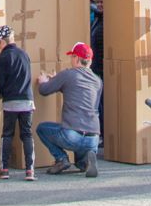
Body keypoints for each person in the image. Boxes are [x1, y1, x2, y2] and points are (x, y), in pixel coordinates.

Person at [37, 42, 105, 176]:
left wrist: (43, 81)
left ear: (77, 58)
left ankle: (61, 159)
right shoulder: (97, 81)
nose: (71, 60)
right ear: (90, 60)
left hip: (72, 135)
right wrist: (58, 81)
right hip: (93, 137)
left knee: (41, 128)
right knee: (82, 153)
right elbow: (80, 95)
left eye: (72, 57)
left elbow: (44, 90)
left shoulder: (68, 74)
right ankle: (85, 162)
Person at [0, 25, 35, 179]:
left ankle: (4, 169)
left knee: (7, 134)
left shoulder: (3, 57)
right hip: (27, 100)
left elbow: (1, 83)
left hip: (10, 101)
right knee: (27, 134)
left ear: (1, 42)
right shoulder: (24, 55)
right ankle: (30, 170)